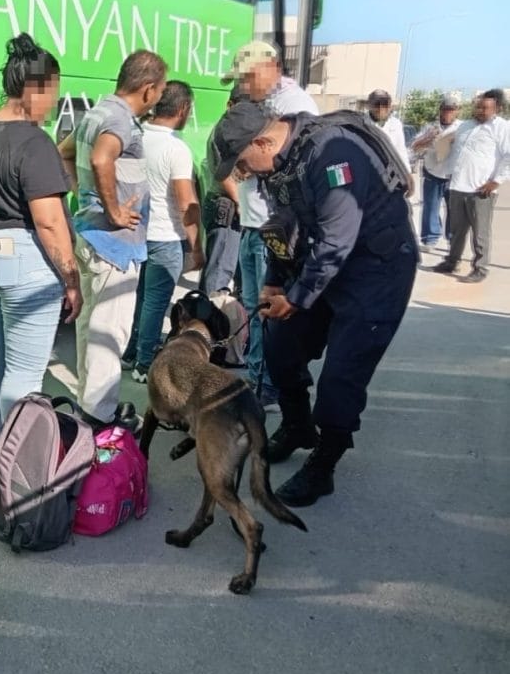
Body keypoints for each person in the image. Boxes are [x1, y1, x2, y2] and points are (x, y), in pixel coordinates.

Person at [210, 102, 417, 508]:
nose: (243, 172)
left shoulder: (332, 152)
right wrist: (273, 283)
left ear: (263, 140)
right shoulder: (278, 166)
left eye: (242, 162)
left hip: (375, 268)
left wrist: (297, 297)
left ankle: (325, 462)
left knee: (341, 375)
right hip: (318, 264)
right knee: (279, 343)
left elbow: (337, 240)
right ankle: (298, 425)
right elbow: (282, 229)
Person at [0, 34, 79, 468]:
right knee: (26, 372)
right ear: (37, 88)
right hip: (20, 255)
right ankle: (18, 465)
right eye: (54, 90)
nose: (55, 100)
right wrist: (71, 278)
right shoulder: (34, 142)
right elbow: (48, 220)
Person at [58, 50, 167, 428]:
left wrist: (83, 197)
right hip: (115, 247)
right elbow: (103, 159)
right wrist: (114, 211)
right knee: (109, 335)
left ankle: (89, 407)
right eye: (161, 89)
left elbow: (65, 153)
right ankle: (100, 422)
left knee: (90, 328)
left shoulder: (96, 113)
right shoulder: (120, 119)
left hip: (91, 239)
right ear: (149, 89)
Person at [202, 40, 319, 295]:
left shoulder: (295, 104)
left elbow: (296, 168)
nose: (241, 87)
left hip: (274, 226)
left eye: (246, 78)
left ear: (269, 69)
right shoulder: (265, 103)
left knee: (266, 310)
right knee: (251, 305)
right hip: (253, 222)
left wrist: (249, 166)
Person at [123, 80, 202, 382]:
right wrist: (197, 246)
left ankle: (131, 352)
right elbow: (186, 203)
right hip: (166, 236)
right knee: (156, 300)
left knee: (140, 297)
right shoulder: (175, 148)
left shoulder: (136, 137)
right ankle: (145, 364)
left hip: (136, 231)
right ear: (182, 109)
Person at [433, 89, 510, 283]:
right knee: (457, 230)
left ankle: (480, 268)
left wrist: (496, 181)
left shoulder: (501, 128)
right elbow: (451, 149)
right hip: (458, 186)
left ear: (496, 109)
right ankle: (452, 261)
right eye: (478, 106)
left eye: (485, 108)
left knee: (480, 232)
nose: (480, 111)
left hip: (481, 189)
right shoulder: (465, 126)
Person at [411, 93, 462, 251]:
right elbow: (414, 147)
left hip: (454, 175)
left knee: (454, 210)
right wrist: (426, 139)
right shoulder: (430, 127)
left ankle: (452, 240)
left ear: (457, 111)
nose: (448, 113)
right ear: (440, 110)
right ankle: (430, 238)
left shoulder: (462, 128)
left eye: (452, 110)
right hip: (432, 172)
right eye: (446, 109)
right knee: (431, 207)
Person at [366, 89, 412, 176]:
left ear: (389, 106)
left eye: (384, 105)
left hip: (388, 175)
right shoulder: (360, 123)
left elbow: (400, 151)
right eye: (377, 104)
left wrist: (407, 174)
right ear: (369, 105)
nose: (380, 108)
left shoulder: (396, 124)